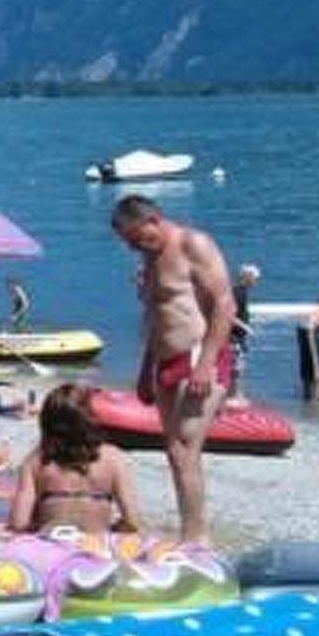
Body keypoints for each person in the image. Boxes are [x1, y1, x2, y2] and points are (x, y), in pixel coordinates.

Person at [111, 194, 236, 545]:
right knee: (175, 451)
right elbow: (156, 317)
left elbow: (224, 304)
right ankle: (190, 531)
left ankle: (197, 538)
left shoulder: (193, 244)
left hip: (197, 355)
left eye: (138, 238)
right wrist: (145, 369)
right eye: (129, 242)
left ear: (154, 220)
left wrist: (206, 363)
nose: (135, 247)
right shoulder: (150, 260)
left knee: (183, 449)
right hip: (165, 360)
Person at [8, 384, 145, 536]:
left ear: (46, 423)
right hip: (94, 541)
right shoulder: (113, 458)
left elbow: (18, 523)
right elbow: (133, 522)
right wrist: (116, 528)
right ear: (90, 418)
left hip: (51, 540)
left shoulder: (36, 461)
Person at [228, 263, 260, 395]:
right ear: (249, 278)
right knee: (235, 368)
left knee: (237, 367)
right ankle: (234, 394)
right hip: (234, 336)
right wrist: (245, 327)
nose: (256, 282)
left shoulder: (240, 292)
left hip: (237, 336)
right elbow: (229, 315)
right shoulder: (239, 293)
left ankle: (234, 393)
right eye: (255, 279)